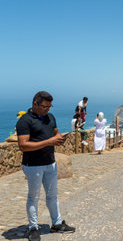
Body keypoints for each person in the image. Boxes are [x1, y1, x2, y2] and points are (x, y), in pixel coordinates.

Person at [16, 91, 75, 241]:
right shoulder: (25, 121)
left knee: (53, 195)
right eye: (44, 106)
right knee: (34, 196)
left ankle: (56, 223)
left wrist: (59, 138)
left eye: (49, 106)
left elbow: (55, 133)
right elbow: (23, 145)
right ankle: (33, 227)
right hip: (33, 165)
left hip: (50, 162)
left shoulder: (50, 117)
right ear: (35, 104)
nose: (47, 110)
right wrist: (48, 142)